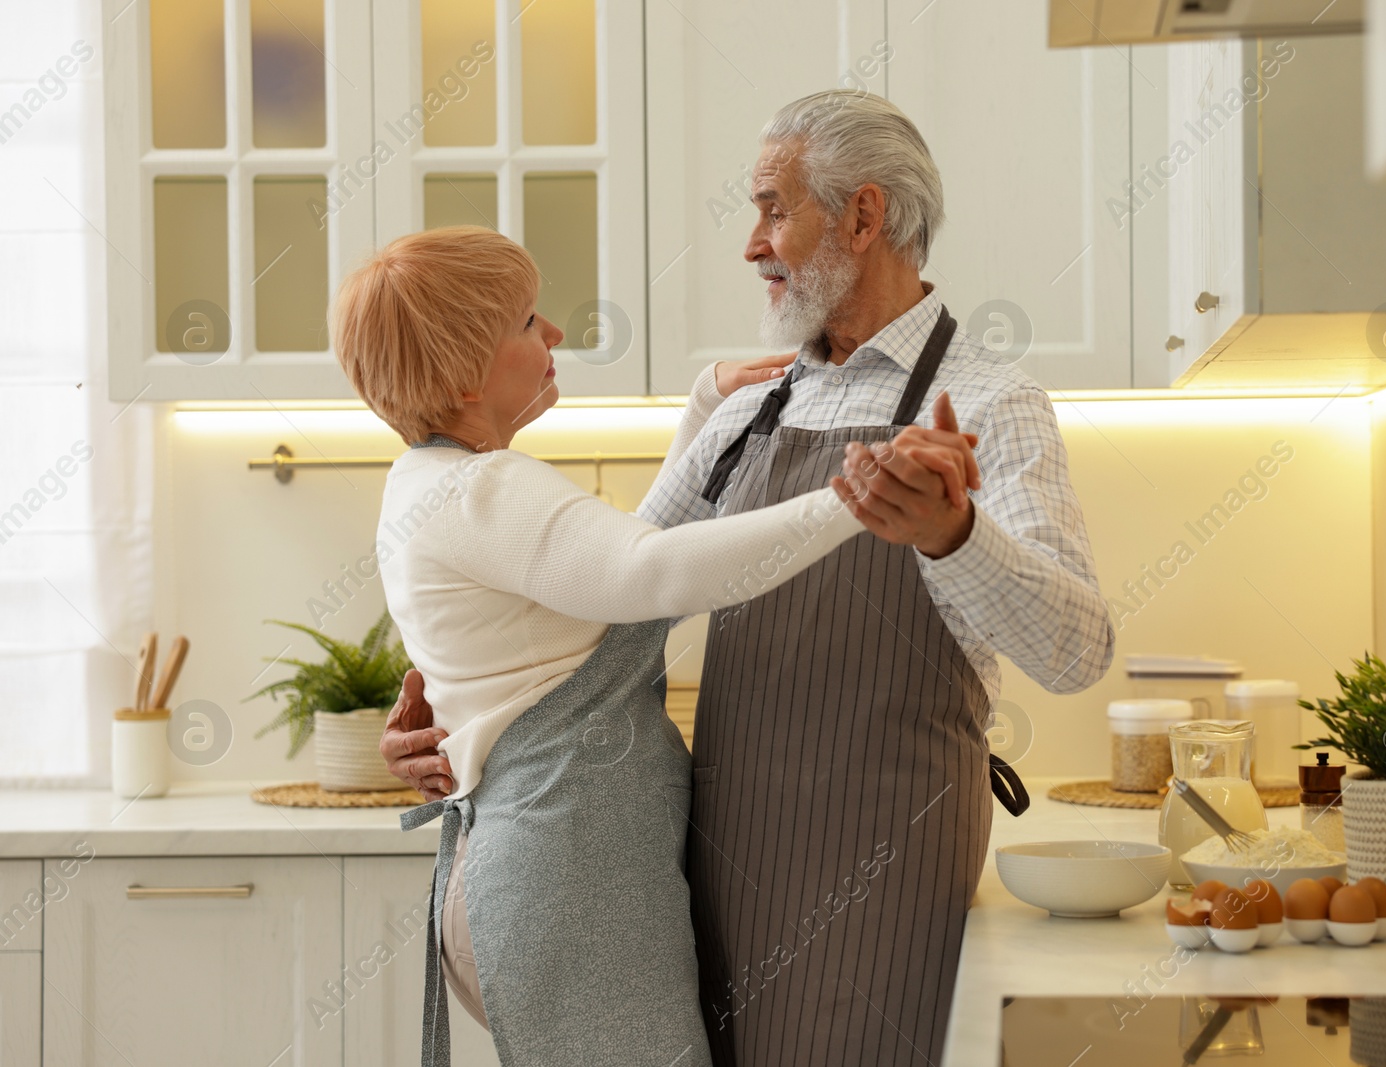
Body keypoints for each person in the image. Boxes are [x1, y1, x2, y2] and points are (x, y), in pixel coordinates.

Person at [385, 91, 1115, 1066]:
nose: (751, 245)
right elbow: (611, 595)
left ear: (861, 217)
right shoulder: (748, 410)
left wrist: (954, 533)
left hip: (882, 865)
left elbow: (1075, 652)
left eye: (774, 208)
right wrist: (457, 702)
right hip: (710, 864)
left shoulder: (987, 403)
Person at [333, 225, 979, 1067]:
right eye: (529, 323)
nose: (556, 334)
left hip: (532, 880)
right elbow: (651, 572)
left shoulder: (428, 483)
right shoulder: (484, 487)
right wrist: (853, 500)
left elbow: (610, 573)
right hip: (569, 883)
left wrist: (702, 411)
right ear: (465, 372)